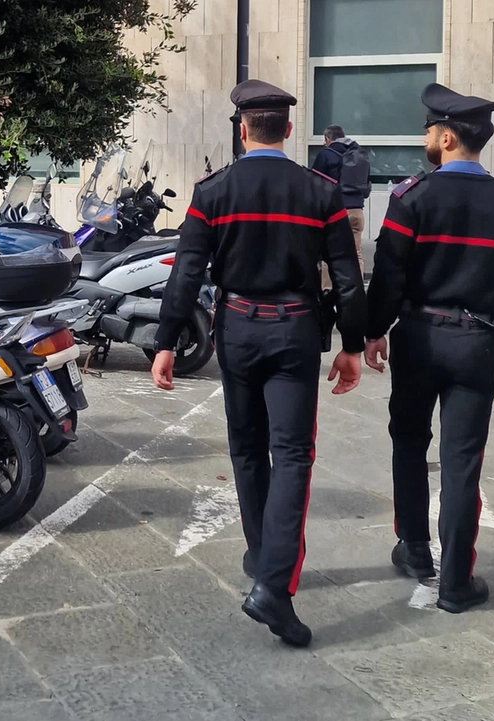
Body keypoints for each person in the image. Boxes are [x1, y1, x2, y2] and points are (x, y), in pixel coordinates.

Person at [152, 79, 367, 647]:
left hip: (238, 329)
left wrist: (167, 340)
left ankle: (260, 556)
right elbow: (347, 276)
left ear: (242, 129)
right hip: (295, 330)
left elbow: (187, 273)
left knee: (246, 448)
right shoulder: (320, 192)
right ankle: (274, 582)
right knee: (293, 454)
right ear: (289, 131)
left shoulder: (212, 192)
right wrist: (352, 343)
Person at [364, 83, 494, 614]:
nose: (425, 139)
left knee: (409, 442)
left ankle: (415, 548)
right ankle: (456, 582)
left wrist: (372, 332)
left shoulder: (410, 199)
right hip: (479, 343)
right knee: (463, 461)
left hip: (418, 338)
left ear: (444, 136)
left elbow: (389, 278)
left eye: (427, 131)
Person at [312, 125, 369, 289]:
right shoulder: (359, 154)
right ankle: (357, 290)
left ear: (328, 139)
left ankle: (327, 290)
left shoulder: (326, 155)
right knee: (356, 252)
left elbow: (315, 183)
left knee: (329, 253)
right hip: (357, 211)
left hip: (334, 212)